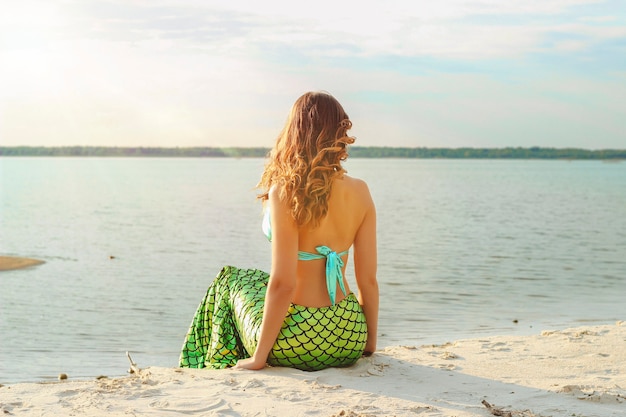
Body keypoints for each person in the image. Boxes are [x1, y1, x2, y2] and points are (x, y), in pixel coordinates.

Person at [179, 91, 378, 371]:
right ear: (338, 134)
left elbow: (284, 284)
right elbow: (367, 280)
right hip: (348, 335)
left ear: (294, 133)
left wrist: (260, 358)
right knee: (258, 282)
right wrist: (368, 342)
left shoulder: (285, 192)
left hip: (297, 341)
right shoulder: (361, 190)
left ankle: (205, 365)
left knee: (229, 280)